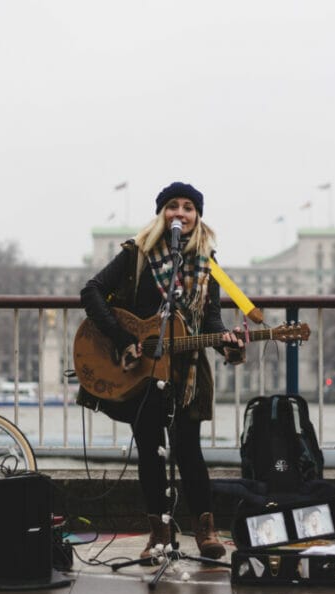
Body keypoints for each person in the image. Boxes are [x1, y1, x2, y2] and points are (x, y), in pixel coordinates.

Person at [79, 181, 245, 561]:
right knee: (150, 451)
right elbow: (91, 292)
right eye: (173, 206)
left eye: (189, 207)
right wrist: (124, 339)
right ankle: (158, 532)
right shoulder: (137, 255)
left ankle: (204, 531)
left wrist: (227, 342)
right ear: (162, 215)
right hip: (142, 371)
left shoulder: (208, 263)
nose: (181, 214)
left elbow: (211, 321)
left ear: (197, 217)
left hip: (186, 371)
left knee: (189, 450)